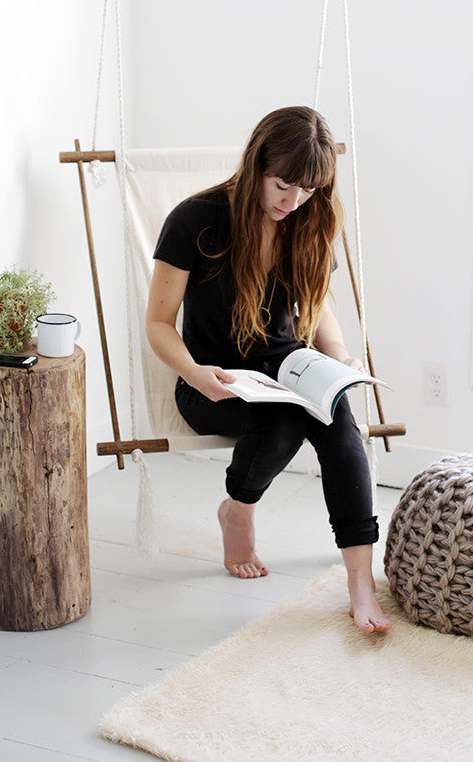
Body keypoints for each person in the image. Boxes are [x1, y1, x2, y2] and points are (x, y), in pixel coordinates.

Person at [145, 105, 391, 633]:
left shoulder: (308, 218)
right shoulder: (195, 220)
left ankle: (360, 581)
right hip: (209, 379)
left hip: (285, 367)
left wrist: (341, 357)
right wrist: (193, 373)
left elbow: (318, 304)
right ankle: (239, 509)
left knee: (338, 418)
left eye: (307, 191)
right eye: (283, 186)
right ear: (257, 162)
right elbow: (160, 323)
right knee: (281, 420)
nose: (293, 201)